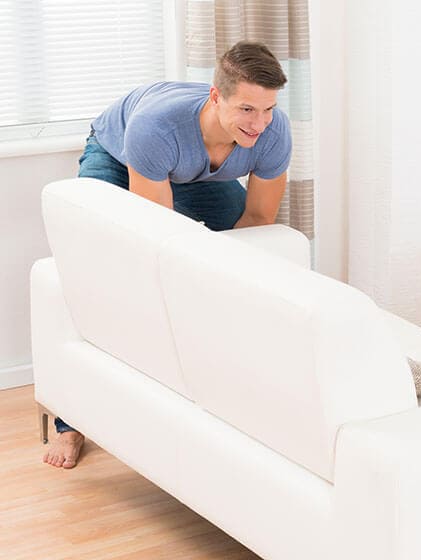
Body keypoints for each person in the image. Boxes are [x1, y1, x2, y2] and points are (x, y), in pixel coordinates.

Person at [42, 40, 292, 469]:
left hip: (195, 173)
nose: (259, 124)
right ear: (216, 96)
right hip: (122, 156)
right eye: (247, 110)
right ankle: (70, 423)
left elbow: (258, 220)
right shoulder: (156, 128)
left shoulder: (272, 131)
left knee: (245, 262)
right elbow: (158, 241)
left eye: (268, 109)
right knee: (96, 271)